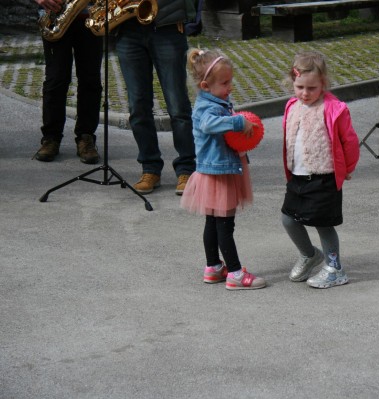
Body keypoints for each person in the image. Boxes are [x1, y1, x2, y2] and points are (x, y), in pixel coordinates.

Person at [181, 48, 266, 290]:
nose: (230, 87)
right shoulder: (208, 108)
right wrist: (238, 122)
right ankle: (236, 274)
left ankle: (213, 267)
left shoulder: (215, 101)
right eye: (225, 83)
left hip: (214, 172)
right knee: (225, 225)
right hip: (219, 174)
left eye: (230, 81)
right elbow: (209, 124)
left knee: (213, 222)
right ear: (205, 85)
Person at [281, 51, 360, 289]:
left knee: (323, 223)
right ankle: (309, 254)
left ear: (323, 84)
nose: (305, 93)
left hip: (324, 177)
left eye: (311, 88)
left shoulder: (334, 108)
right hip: (297, 176)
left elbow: (349, 141)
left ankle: (335, 268)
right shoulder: (292, 106)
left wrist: (348, 167)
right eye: (299, 87)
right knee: (288, 219)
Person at [115, 0, 197, 195]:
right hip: (128, 28)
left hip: (166, 25)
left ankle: (186, 169)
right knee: (137, 106)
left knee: (177, 105)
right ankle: (150, 168)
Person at [33, 0, 102, 164]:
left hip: (90, 15)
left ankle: (86, 137)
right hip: (55, 15)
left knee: (90, 79)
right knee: (55, 79)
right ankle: (51, 138)